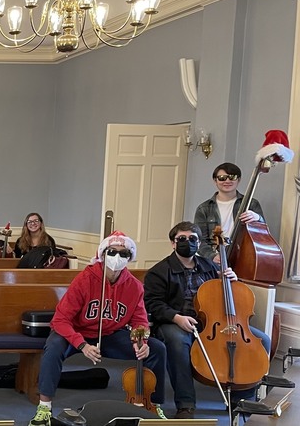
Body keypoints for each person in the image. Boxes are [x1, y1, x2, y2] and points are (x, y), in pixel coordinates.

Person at [29, 231, 168, 426]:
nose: (117, 257)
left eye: (123, 253)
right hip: (77, 333)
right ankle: (44, 407)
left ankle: (154, 404)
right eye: (112, 252)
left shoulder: (135, 286)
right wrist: (82, 345)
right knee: (53, 348)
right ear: (102, 254)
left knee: (157, 349)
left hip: (110, 334)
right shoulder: (84, 280)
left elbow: (140, 321)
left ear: (130, 257)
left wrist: (141, 341)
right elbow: (60, 320)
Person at [144, 221, 271, 419]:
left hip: (211, 322)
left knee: (263, 340)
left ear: (199, 242)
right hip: (176, 321)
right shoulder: (159, 271)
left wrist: (231, 280)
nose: (187, 242)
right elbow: (153, 303)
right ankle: (186, 404)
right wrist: (177, 318)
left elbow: (222, 294)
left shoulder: (209, 266)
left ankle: (242, 398)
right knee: (177, 341)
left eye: (192, 239)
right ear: (173, 243)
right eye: (182, 239)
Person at [194, 162, 264, 261]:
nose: (227, 181)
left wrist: (258, 218)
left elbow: (263, 232)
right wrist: (212, 256)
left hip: (244, 256)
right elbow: (200, 240)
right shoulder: (204, 208)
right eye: (222, 178)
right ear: (215, 181)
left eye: (232, 177)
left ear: (238, 180)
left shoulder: (251, 204)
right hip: (216, 257)